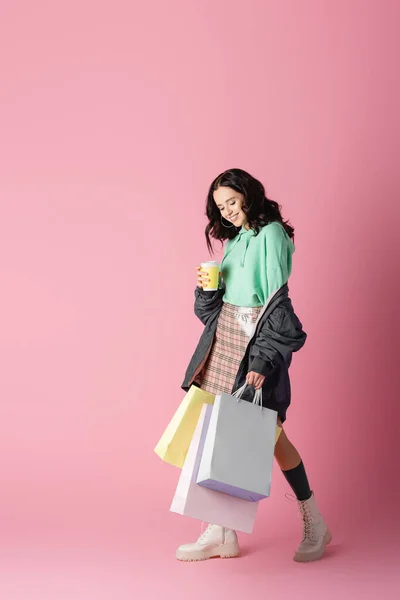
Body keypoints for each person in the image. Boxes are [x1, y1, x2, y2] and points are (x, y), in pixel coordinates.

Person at [177, 168, 331, 563]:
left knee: (270, 437)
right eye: (219, 206)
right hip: (225, 340)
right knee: (219, 432)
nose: (226, 211)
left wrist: (263, 358)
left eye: (231, 201)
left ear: (249, 195)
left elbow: (276, 302)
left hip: (255, 344)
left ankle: (313, 518)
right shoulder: (236, 238)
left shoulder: (272, 234)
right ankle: (220, 532)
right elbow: (222, 303)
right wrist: (206, 291)